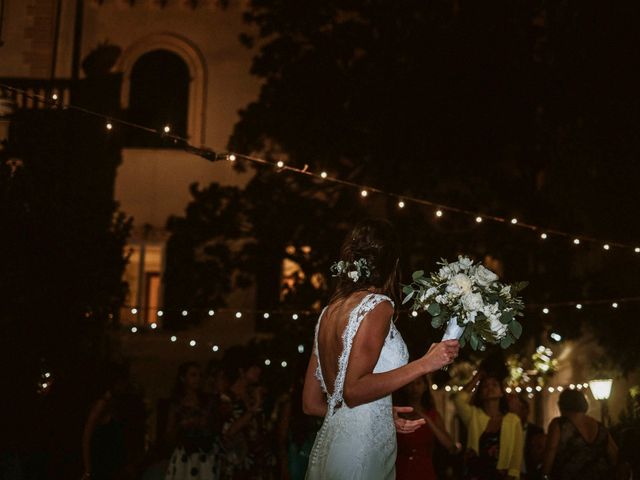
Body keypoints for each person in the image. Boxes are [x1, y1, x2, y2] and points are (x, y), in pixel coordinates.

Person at [302, 218, 460, 480]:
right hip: (360, 452)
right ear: (393, 264)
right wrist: (425, 363)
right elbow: (353, 390)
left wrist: (380, 413)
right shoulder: (377, 305)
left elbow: (311, 403)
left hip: (332, 445)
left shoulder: (329, 313)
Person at [452, 370, 523, 479]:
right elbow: (458, 399)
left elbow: (516, 454)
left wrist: (513, 475)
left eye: (494, 385)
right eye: (485, 386)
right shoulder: (474, 416)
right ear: (480, 394)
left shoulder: (513, 420)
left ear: (501, 392)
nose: (490, 388)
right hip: (476, 475)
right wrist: (477, 377)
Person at [541, 389, 618, 480]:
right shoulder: (599, 426)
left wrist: (544, 474)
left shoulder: (560, 425)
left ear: (562, 404)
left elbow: (551, 449)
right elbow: (614, 452)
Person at [393, 375, 457, 480]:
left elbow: (450, 445)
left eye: (418, 383)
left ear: (425, 386)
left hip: (424, 469)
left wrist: (426, 418)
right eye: (410, 383)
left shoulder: (432, 415)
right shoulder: (396, 414)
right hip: (400, 469)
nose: (414, 388)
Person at [165, 362, 218, 480]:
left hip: (204, 454)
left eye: (200, 375)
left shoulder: (208, 402)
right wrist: (182, 426)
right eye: (193, 375)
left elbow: (213, 427)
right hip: (185, 455)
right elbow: (169, 434)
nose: (197, 379)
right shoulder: (176, 404)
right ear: (183, 378)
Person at [507, 393, 545, 479]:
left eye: (523, 409)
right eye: (518, 408)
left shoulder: (536, 431)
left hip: (530, 474)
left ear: (528, 411)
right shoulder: (505, 429)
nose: (521, 412)